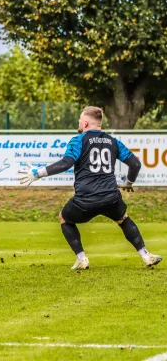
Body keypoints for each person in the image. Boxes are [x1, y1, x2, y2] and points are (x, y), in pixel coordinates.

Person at [18, 106, 162, 270]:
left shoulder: (79, 140)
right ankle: (146, 255)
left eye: (80, 119)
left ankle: (82, 259)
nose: (79, 122)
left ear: (85, 122)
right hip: (111, 197)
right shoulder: (113, 141)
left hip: (86, 199)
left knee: (64, 218)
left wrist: (38, 173)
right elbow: (135, 164)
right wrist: (129, 183)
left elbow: (66, 163)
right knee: (123, 219)